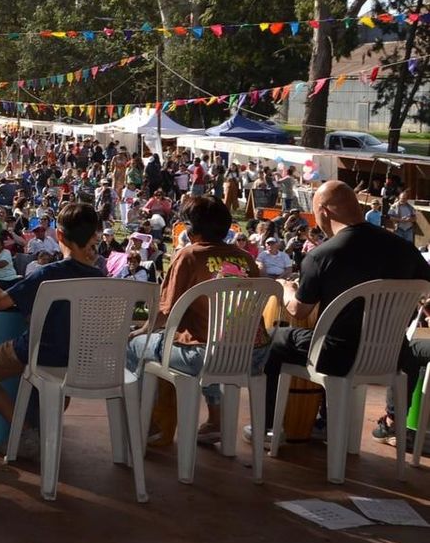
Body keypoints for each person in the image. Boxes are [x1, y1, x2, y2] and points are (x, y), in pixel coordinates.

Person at [258, 181, 430, 440]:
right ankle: (379, 419)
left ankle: (268, 428)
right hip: (392, 354)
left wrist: (285, 288)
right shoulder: (403, 248)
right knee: (408, 347)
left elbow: (299, 311)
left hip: (337, 356)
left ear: (323, 211)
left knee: (276, 337)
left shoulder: (322, 255)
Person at [0, 201, 107, 459]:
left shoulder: (48, 273)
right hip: (80, 360)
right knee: (60, 382)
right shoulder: (101, 276)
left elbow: (1, 302)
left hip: (37, 352)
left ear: (59, 236)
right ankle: (45, 423)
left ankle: (25, 432)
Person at [125, 195, 261, 445]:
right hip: (250, 356)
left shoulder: (188, 256)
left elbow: (164, 314)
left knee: (135, 346)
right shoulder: (247, 259)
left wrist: (139, 331)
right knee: (207, 337)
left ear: (191, 229)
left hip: (204, 356)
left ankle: (147, 424)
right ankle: (216, 421)